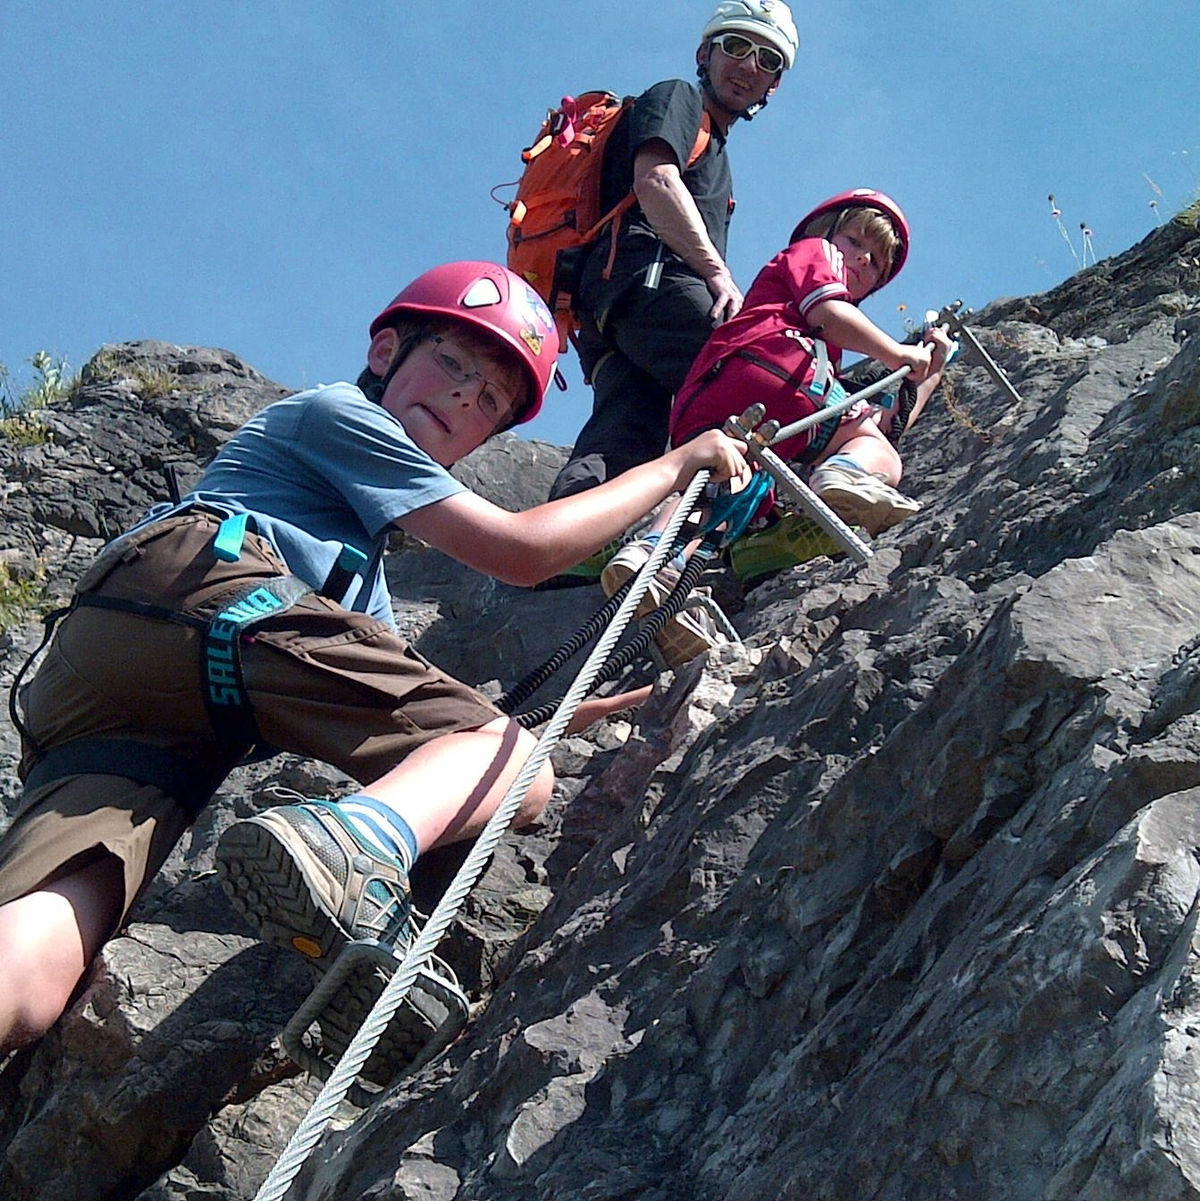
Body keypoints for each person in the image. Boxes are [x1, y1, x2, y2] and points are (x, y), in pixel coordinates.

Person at [0, 261, 749, 1076]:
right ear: (387, 348)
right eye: (456, 365)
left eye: (491, 401)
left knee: (38, 965)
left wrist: (607, 709)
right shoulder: (338, 413)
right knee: (524, 777)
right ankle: (355, 848)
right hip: (206, 594)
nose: (468, 397)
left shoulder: (359, 584)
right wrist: (677, 466)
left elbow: (420, 725)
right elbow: (524, 553)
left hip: (125, 698)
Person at [602, 190, 953, 640]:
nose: (863, 258)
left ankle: (655, 556)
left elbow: (886, 424)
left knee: (721, 488)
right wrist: (895, 352)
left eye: (877, 262)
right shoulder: (814, 255)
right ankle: (844, 475)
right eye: (854, 240)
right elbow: (828, 312)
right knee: (878, 456)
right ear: (825, 233)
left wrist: (928, 375)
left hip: (714, 392)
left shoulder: (818, 340)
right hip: (779, 365)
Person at [545, 1, 799, 542]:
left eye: (767, 59)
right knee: (757, 377)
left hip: (610, 309)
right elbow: (655, 181)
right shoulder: (679, 98)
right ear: (704, 53)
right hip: (648, 285)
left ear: (773, 85)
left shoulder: (717, 152)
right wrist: (719, 276)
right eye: (736, 47)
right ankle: (768, 529)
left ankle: (566, 549)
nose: (749, 65)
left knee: (624, 432)